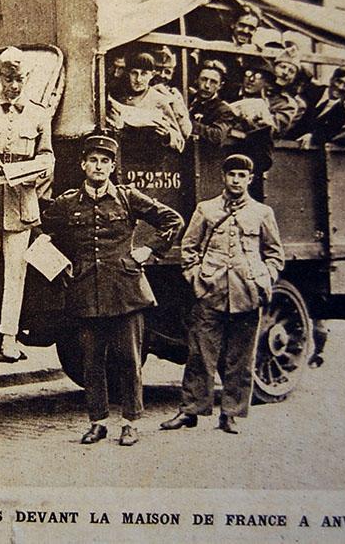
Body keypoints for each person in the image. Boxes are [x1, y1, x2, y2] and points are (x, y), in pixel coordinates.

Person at [42, 133, 183, 447]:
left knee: (129, 360)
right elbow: (36, 228)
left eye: (105, 161)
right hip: (85, 293)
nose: (99, 166)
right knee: (91, 361)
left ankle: (130, 423)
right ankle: (98, 422)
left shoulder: (127, 197)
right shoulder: (67, 203)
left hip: (124, 291)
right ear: (83, 164)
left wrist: (148, 251)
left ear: (112, 166)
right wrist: (58, 265)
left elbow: (172, 220)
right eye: (93, 160)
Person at [161, 154, 285, 435]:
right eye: (232, 175)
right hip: (210, 291)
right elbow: (189, 248)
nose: (236, 180)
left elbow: (275, 254)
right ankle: (190, 410)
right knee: (200, 354)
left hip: (247, 292)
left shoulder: (262, 213)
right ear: (223, 177)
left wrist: (264, 278)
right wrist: (196, 278)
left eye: (242, 176)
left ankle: (231, 413)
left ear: (250, 180)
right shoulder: (206, 210)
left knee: (240, 358)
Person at [0, 48, 54, 359]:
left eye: (20, 79)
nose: (14, 86)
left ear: (27, 79)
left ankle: (9, 335)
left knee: (15, 273)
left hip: (22, 201)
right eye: (8, 79)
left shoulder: (38, 114)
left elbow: (48, 157)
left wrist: (30, 172)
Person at [108, 50, 185, 154]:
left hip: (149, 159)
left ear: (152, 74)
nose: (138, 79)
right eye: (134, 73)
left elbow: (180, 141)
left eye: (144, 74)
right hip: (124, 155)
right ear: (128, 74)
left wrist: (168, 135)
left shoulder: (159, 100)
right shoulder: (120, 97)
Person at [188, 59, 234, 147]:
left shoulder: (224, 110)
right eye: (204, 79)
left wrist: (187, 122)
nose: (207, 86)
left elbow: (217, 136)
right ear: (197, 80)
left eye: (213, 82)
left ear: (220, 86)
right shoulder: (187, 100)